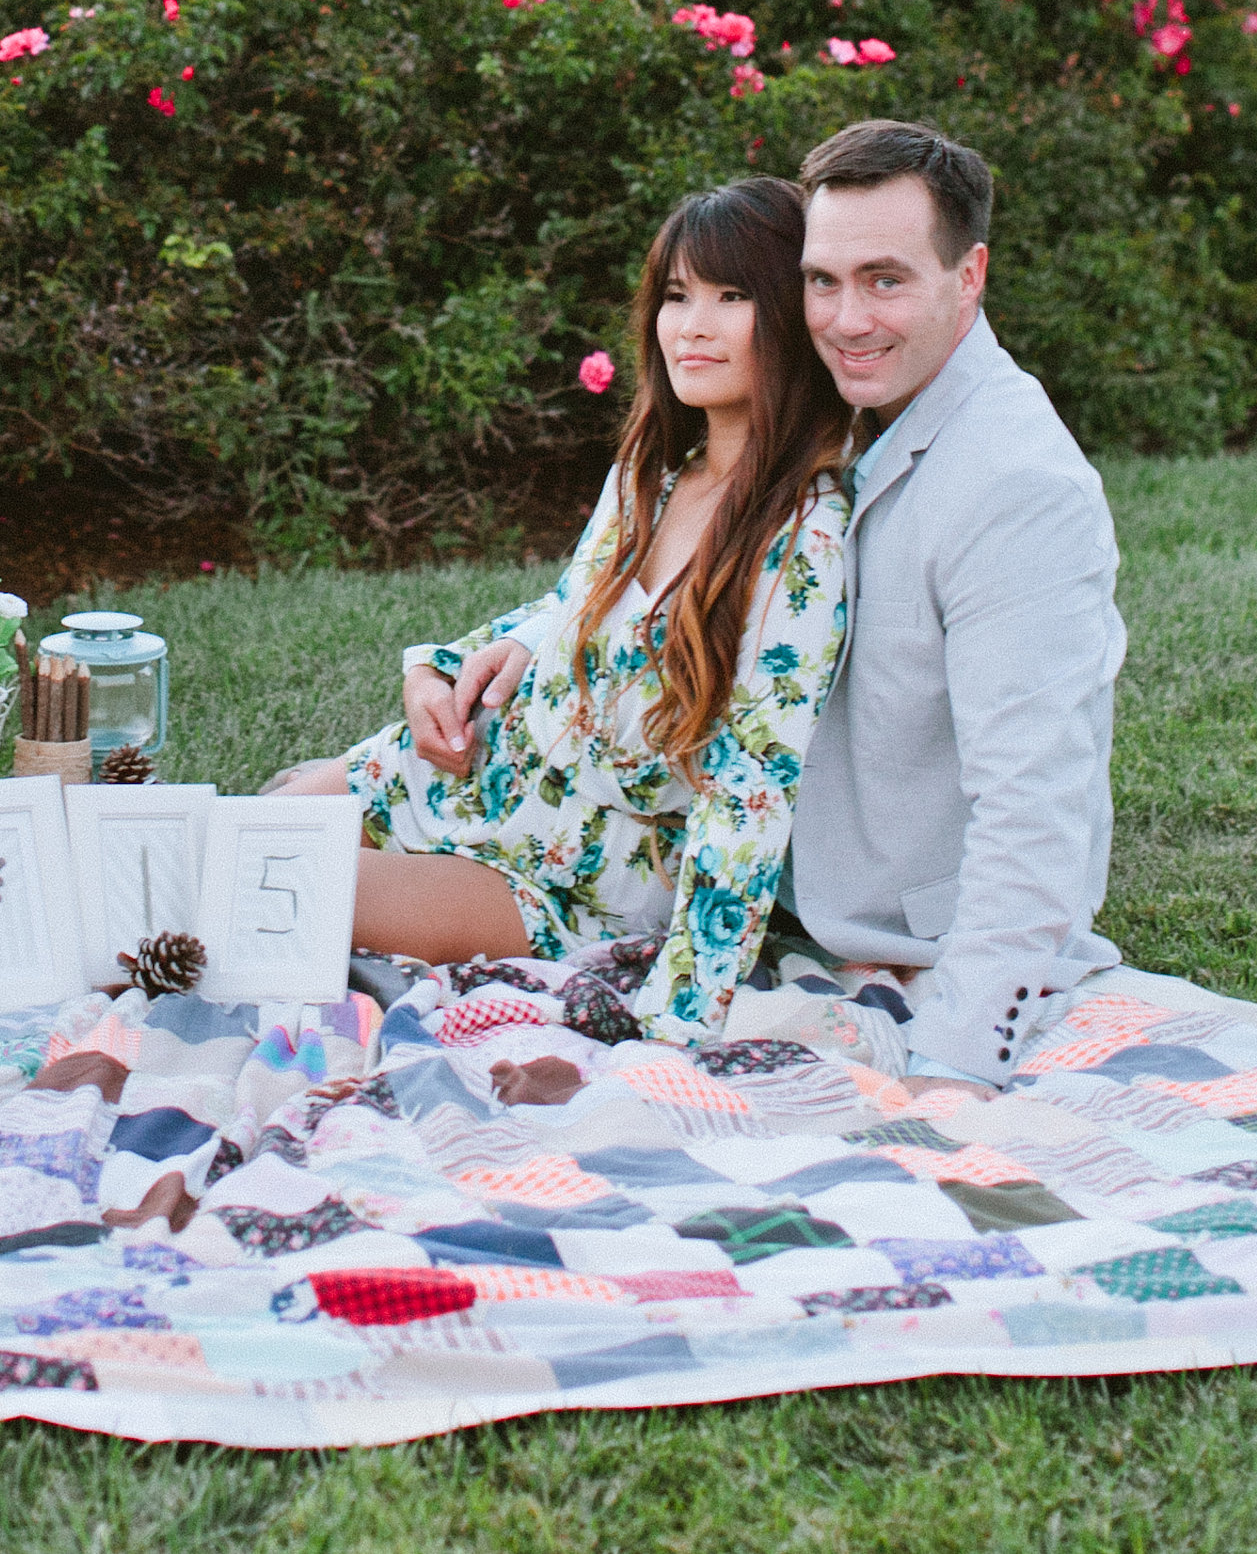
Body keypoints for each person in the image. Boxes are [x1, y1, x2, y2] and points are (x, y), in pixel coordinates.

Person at [267, 176, 851, 1040]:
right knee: (264, 819)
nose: (692, 324)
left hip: (579, 865)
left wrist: (683, 1016)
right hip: (486, 769)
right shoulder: (652, 474)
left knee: (275, 878)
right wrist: (440, 666)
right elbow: (570, 609)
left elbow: (751, 791)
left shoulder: (804, 539)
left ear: (794, 315)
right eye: (678, 295)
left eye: (732, 298)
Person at [784, 116, 1128, 1092]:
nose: (845, 317)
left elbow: (1035, 803)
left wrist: (952, 1059)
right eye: (823, 279)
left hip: (895, 923)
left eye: (885, 279)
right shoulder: (842, 403)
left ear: (968, 275)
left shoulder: (1017, 484)